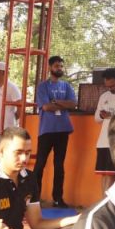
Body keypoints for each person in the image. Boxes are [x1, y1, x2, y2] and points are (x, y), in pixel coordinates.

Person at [33, 56, 77, 208]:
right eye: (57, 66)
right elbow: (46, 107)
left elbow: (73, 104)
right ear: (50, 67)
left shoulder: (67, 86)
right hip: (46, 130)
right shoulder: (43, 86)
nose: (60, 68)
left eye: (61, 66)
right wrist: (62, 104)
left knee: (59, 165)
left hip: (63, 129)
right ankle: (35, 198)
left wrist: (55, 101)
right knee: (40, 164)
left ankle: (58, 199)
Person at [0, 61, 21, 164]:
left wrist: (13, 119)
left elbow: (20, 106)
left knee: (5, 157)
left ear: (2, 72)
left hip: (7, 129)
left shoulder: (12, 88)